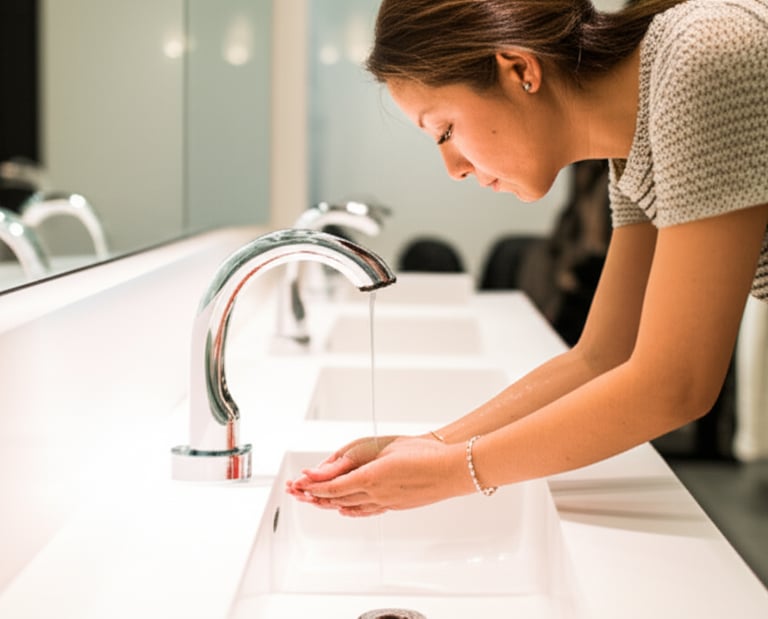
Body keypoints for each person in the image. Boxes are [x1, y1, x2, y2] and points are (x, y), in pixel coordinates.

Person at [286, 0, 768, 517]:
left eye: (444, 130)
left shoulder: (704, 50)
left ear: (519, 69)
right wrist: (432, 445)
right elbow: (605, 355)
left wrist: (450, 472)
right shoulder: (634, 145)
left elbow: (675, 384)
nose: (452, 168)